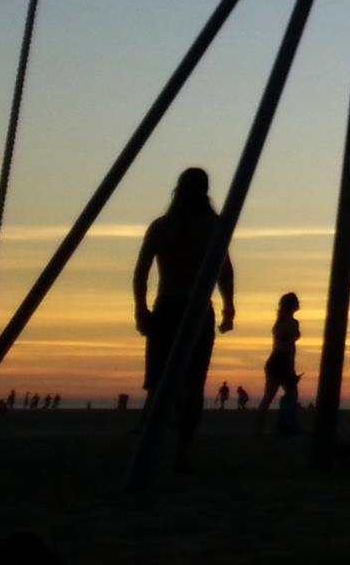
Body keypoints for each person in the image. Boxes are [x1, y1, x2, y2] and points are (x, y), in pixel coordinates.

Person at [132, 167, 235, 472]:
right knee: (192, 384)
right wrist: (229, 307)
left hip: (168, 307)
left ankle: (155, 449)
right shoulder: (213, 226)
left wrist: (140, 309)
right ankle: (181, 453)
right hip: (195, 308)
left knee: (160, 382)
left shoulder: (162, 226)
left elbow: (141, 272)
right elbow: (224, 270)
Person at [257, 292, 301, 432]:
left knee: (268, 397)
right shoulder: (291, 323)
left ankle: (259, 428)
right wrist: (290, 369)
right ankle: (286, 425)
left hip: (275, 359)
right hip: (282, 360)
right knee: (291, 393)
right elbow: (288, 348)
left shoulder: (280, 321)